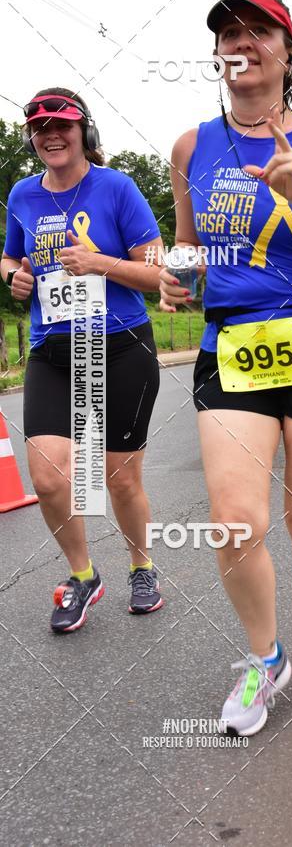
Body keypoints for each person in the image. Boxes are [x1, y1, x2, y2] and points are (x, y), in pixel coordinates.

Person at [159, 0, 292, 736]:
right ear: (217, 55)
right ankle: (264, 656)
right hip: (232, 349)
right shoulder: (191, 147)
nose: (240, 42)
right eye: (228, 33)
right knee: (233, 522)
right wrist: (176, 274)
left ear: (288, 51)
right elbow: (187, 246)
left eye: (257, 30)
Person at [0, 88, 164, 632]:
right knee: (49, 478)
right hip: (52, 350)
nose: (51, 135)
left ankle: (141, 566)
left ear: (83, 132)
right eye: (40, 127)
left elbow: (158, 272)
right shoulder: (23, 194)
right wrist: (15, 277)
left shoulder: (116, 187)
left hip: (120, 347)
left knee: (119, 478)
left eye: (62, 125)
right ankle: (83, 575)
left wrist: (100, 263)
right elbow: (9, 256)